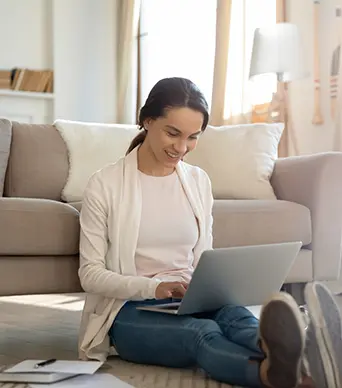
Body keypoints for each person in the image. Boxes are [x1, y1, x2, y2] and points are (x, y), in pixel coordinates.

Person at [78, 77, 341, 387]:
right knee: (203, 334)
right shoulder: (104, 184)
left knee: (236, 317)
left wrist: (211, 288)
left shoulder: (198, 181)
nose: (181, 147)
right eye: (172, 133)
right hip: (128, 311)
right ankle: (277, 376)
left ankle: (302, 353)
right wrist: (156, 288)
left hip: (190, 300)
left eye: (192, 137)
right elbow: (90, 274)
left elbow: (204, 258)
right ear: (147, 121)